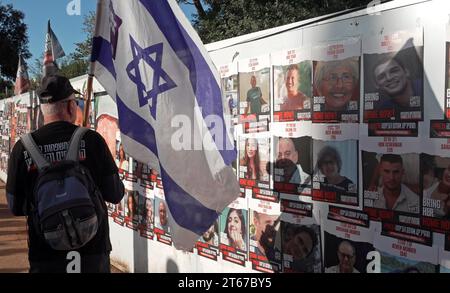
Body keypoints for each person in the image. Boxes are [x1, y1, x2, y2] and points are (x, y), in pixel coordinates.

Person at [6, 74, 125, 273]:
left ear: (43, 110)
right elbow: (115, 193)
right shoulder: (92, 140)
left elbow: (16, 206)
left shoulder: (23, 148)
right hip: (92, 254)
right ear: (70, 106)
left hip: (45, 253)